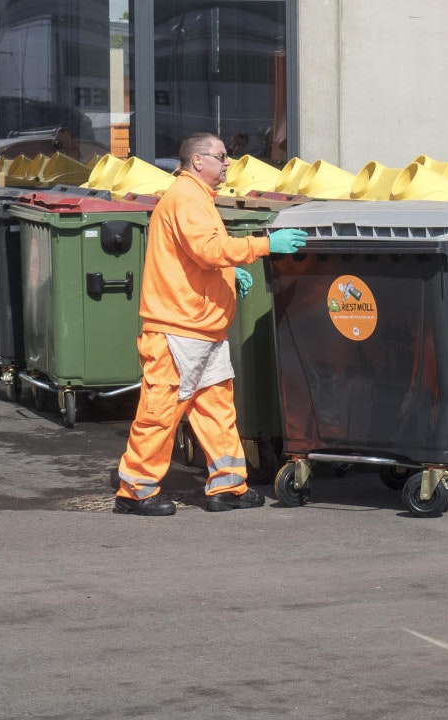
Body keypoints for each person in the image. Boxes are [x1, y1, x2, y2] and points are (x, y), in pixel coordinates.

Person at [113, 131, 307, 516]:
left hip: (198, 327)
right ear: (197, 161)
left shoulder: (196, 199)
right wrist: (265, 245)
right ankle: (135, 491)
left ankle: (228, 486)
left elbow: (191, 259)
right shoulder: (188, 198)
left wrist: (230, 276)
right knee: (160, 412)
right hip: (178, 329)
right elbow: (208, 250)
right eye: (221, 156)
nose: (228, 163)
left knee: (216, 409)